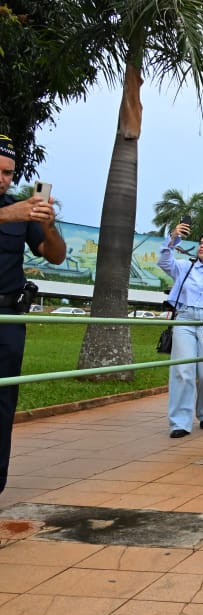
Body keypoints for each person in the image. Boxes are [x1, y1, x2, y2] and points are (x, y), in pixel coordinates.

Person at [0, 134, 65, 494]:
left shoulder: (20, 211)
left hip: (8, 319)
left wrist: (48, 225)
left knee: (3, 404)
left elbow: (54, 255)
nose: (3, 179)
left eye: (9, 173)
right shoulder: (10, 210)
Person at [158, 225, 203, 438]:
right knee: (182, 370)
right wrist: (174, 238)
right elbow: (163, 262)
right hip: (185, 319)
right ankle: (179, 422)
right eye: (201, 243)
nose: (202, 247)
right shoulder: (184, 267)